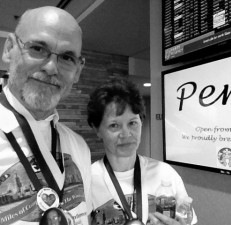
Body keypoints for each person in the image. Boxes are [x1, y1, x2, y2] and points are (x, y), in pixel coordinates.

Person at [0, 6, 92, 224]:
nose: (51, 67)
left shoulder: (79, 148)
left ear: (78, 70)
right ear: (9, 49)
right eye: (38, 48)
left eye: (67, 57)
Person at [87, 78, 197, 225]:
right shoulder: (88, 180)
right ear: (97, 129)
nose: (126, 134)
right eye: (114, 125)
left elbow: (189, 220)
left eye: (132, 123)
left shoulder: (165, 174)